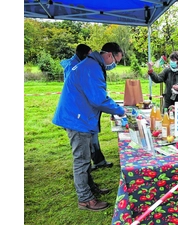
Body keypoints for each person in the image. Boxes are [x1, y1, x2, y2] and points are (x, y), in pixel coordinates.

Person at [52, 42, 127, 211]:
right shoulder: (92, 67)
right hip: (76, 119)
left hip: (79, 116)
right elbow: (98, 99)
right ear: (109, 55)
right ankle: (85, 199)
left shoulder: (92, 64)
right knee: (82, 160)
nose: (115, 64)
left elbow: (97, 94)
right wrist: (120, 111)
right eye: (116, 60)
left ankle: (90, 190)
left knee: (85, 158)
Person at [60, 44, 113, 171]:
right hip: (78, 113)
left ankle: (98, 161)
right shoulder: (74, 67)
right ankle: (88, 170)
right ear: (84, 54)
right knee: (84, 146)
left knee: (93, 135)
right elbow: (82, 89)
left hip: (85, 110)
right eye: (89, 55)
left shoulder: (81, 64)